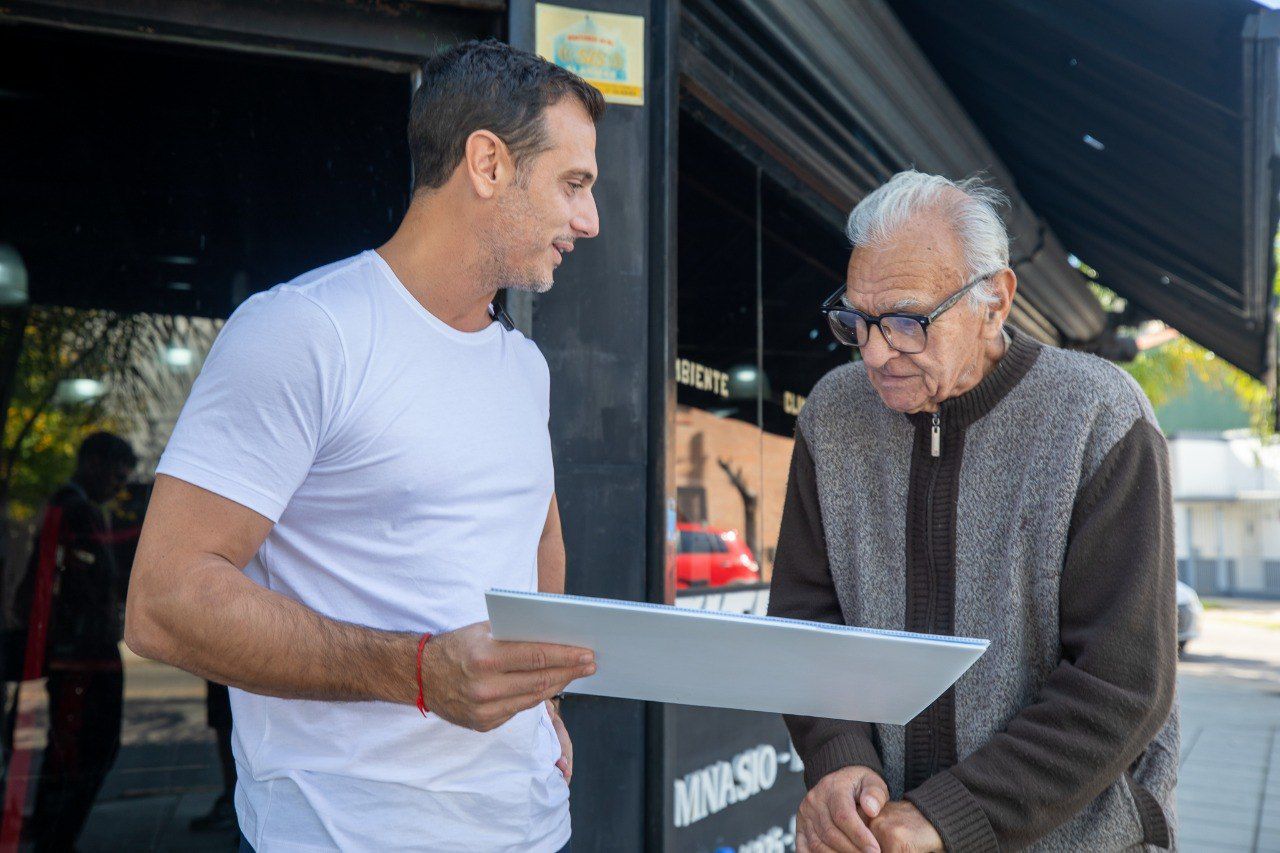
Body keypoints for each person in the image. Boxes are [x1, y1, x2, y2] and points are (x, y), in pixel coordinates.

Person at [124, 39, 603, 852]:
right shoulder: (306, 330)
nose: (589, 221)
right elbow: (163, 603)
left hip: (531, 825)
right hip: (344, 835)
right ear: (487, 163)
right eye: (574, 184)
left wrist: (545, 701)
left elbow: (536, 533)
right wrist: (417, 672)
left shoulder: (524, 364)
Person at [768, 171, 1177, 852]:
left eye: (907, 321)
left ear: (995, 301)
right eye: (858, 320)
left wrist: (946, 814)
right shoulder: (832, 415)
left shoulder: (1098, 415)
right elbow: (806, 624)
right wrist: (839, 760)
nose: (875, 351)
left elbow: (1121, 680)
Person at [25, 431, 137, 850]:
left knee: (80, 753)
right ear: (94, 464)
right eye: (117, 476)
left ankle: (54, 837)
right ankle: (54, 839)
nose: (119, 486)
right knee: (82, 753)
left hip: (79, 653)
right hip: (81, 656)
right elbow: (85, 584)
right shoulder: (76, 511)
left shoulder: (72, 508)